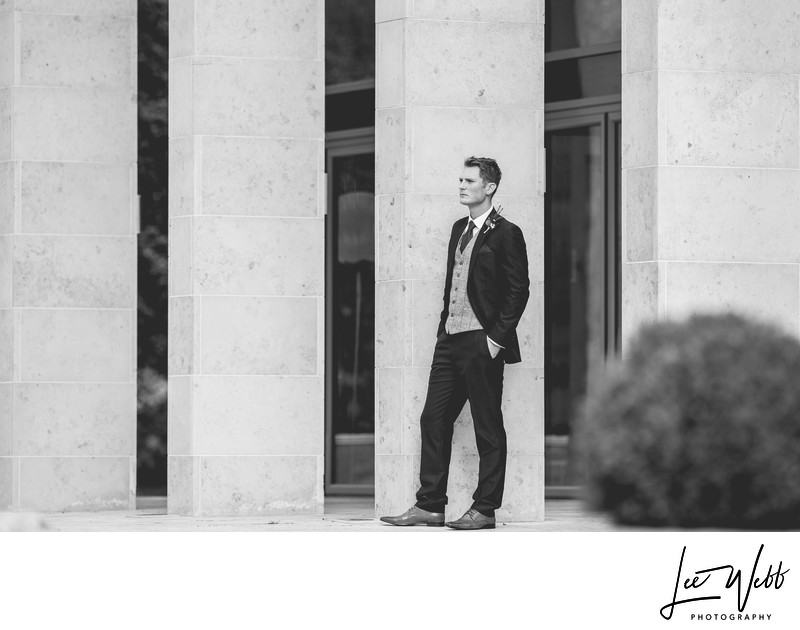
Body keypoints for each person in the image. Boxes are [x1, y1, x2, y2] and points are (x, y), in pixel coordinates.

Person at [380, 156, 530, 530]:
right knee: (433, 418)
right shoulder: (457, 230)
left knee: (487, 426)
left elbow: (518, 290)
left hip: (482, 342)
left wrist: (496, 339)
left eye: (469, 180)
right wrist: (443, 330)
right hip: (450, 340)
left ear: (489, 187)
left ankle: (485, 509)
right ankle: (430, 505)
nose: (461, 186)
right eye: (460, 180)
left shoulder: (507, 232)